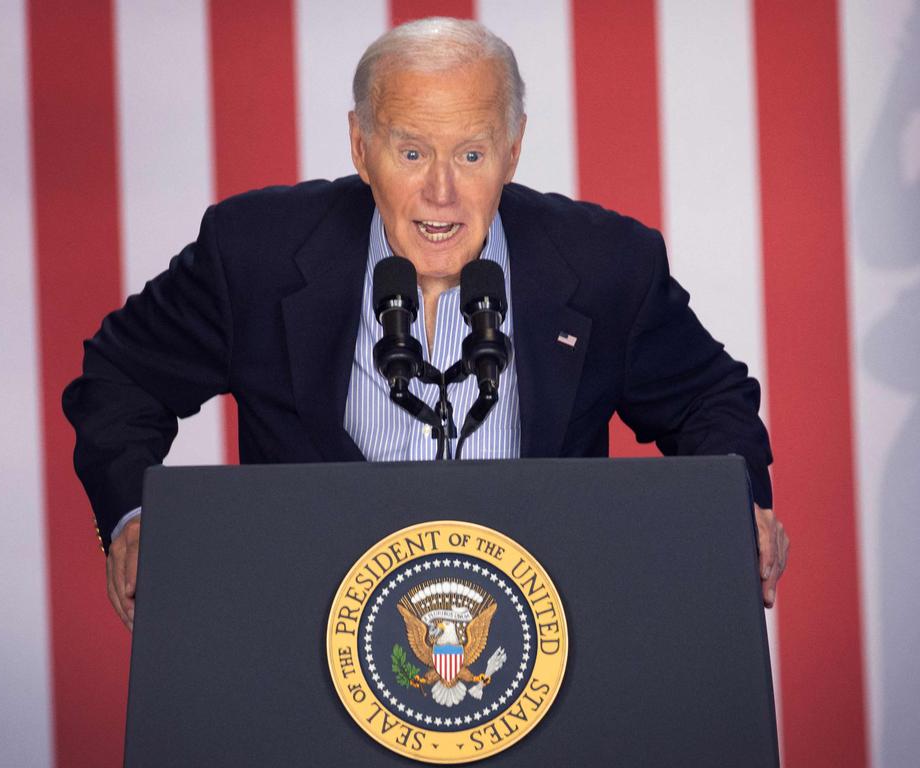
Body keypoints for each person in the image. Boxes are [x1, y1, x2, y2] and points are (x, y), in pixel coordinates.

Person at [64, 18, 789, 632]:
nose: (440, 192)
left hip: (530, 642)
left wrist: (740, 506)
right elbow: (122, 376)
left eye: (470, 154)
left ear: (512, 150)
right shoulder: (254, 252)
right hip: (307, 638)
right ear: (360, 147)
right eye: (411, 152)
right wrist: (131, 516)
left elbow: (709, 402)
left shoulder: (605, 265)